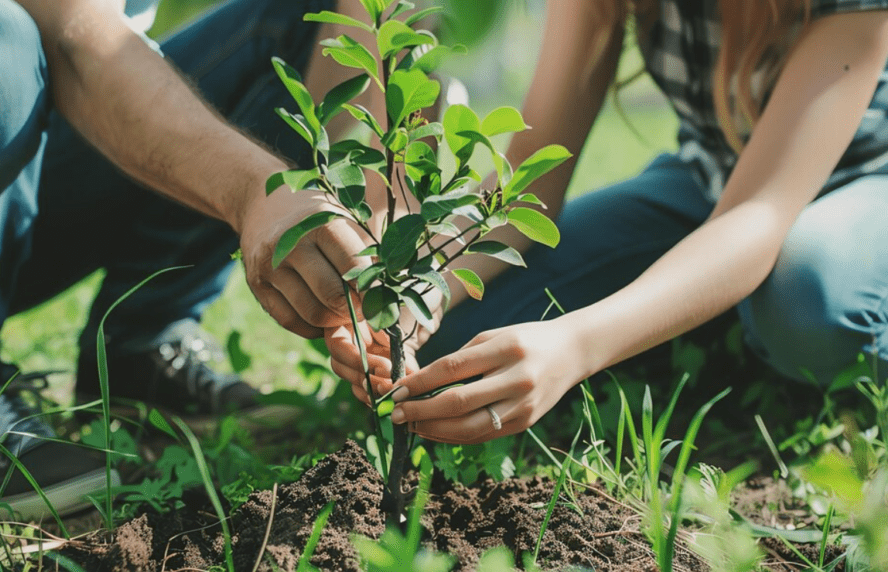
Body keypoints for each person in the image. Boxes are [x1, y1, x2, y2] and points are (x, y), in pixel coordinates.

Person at [0, 0, 376, 518]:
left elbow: (388, 18)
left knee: (309, 19)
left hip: (46, 147)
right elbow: (74, 39)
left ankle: (140, 350)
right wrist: (255, 191)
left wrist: (382, 233)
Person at [326, 0, 888, 445]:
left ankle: (751, 336)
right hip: (711, 176)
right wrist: (422, 289)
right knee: (457, 340)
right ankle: (714, 323)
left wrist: (577, 344)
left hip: (862, 181)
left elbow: (758, 213)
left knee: (808, 307)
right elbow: (529, 182)